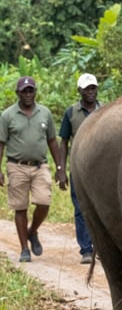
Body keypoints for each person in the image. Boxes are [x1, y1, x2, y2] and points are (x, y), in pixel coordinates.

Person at [0, 76, 67, 262]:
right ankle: (24, 249)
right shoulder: (8, 115)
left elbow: (52, 141)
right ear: (17, 93)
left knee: (44, 202)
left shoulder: (44, 113)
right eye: (24, 91)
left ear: (35, 92)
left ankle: (32, 231)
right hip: (16, 166)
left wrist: (60, 167)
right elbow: (1, 143)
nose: (28, 94)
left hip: (40, 166)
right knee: (20, 207)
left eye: (31, 90)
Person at [59, 73, 101, 263]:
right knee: (81, 208)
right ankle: (86, 248)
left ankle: (100, 247)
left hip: (100, 169)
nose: (90, 92)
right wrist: (60, 169)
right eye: (86, 89)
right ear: (80, 91)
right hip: (78, 168)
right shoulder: (71, 113)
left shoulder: (104, 110)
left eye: (93, 88)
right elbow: (64, 141)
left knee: (101, 208)